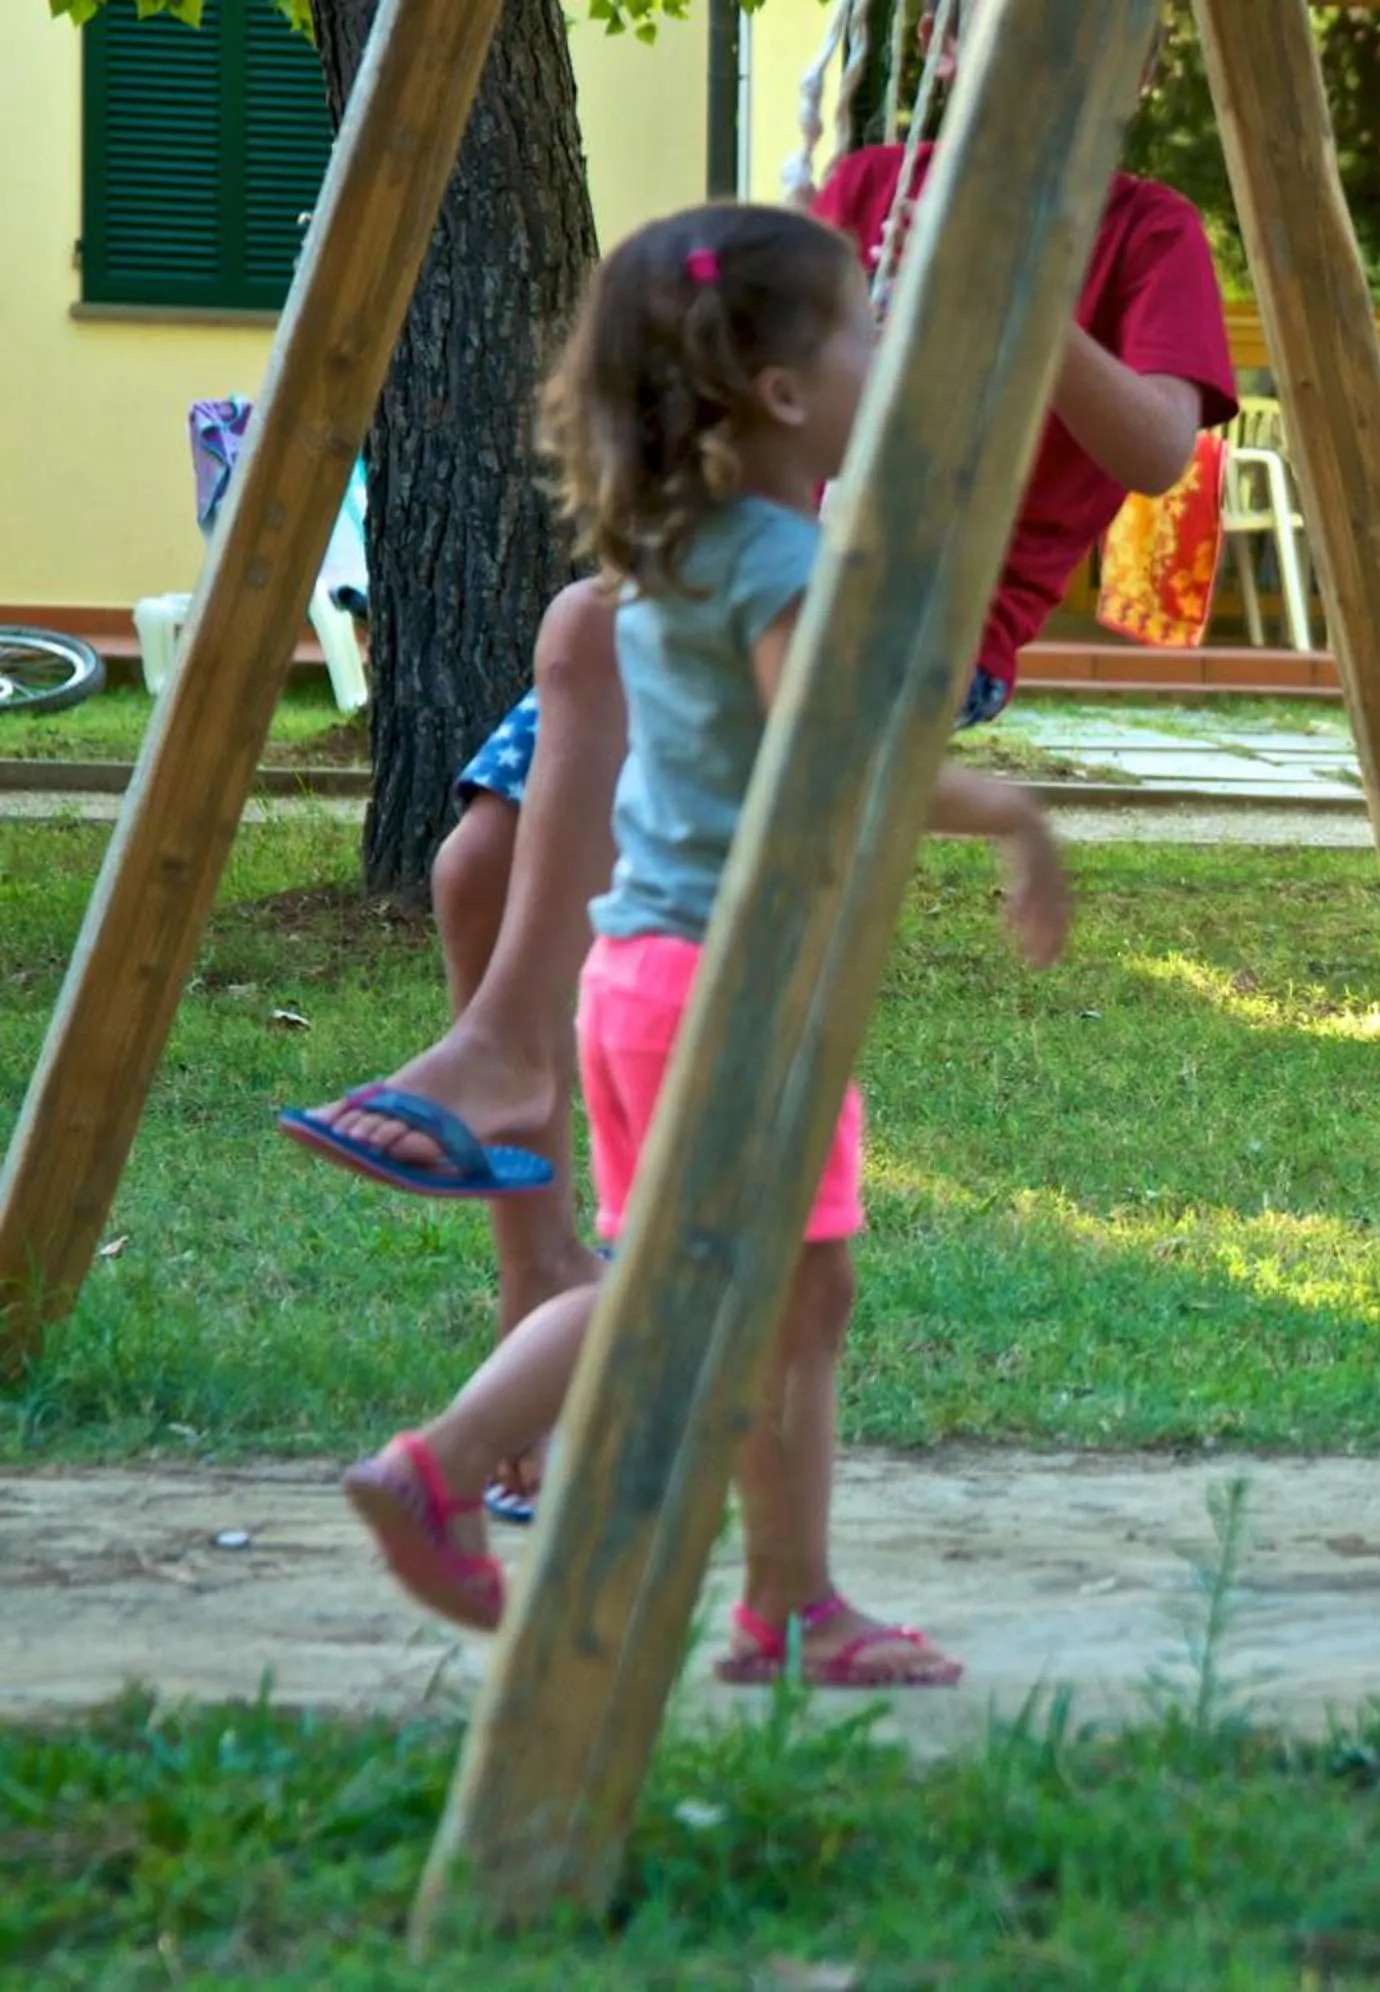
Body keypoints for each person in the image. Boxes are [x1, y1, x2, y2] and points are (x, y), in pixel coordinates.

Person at [282, 86, 1237, 1520]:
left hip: (900, 616)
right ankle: (531, 1235)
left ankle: (550, 1314)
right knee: (481, 855)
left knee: (738, 1256)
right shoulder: (870, 183)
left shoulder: (1143, 233)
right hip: (750, 573)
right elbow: (731, 358)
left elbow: (1160, 453)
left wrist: (1020, 293)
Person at [341, 203, 1072, 1688]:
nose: (886, 351)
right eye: (864, 330)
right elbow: (833, 753)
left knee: (794, 1296)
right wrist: (1012, 814)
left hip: (650, 980)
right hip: (731, 993)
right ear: (789, 394)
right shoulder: (775, 566)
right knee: (693, 1285)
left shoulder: (689, 538)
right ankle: (451, 1460)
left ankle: (790, 1607)